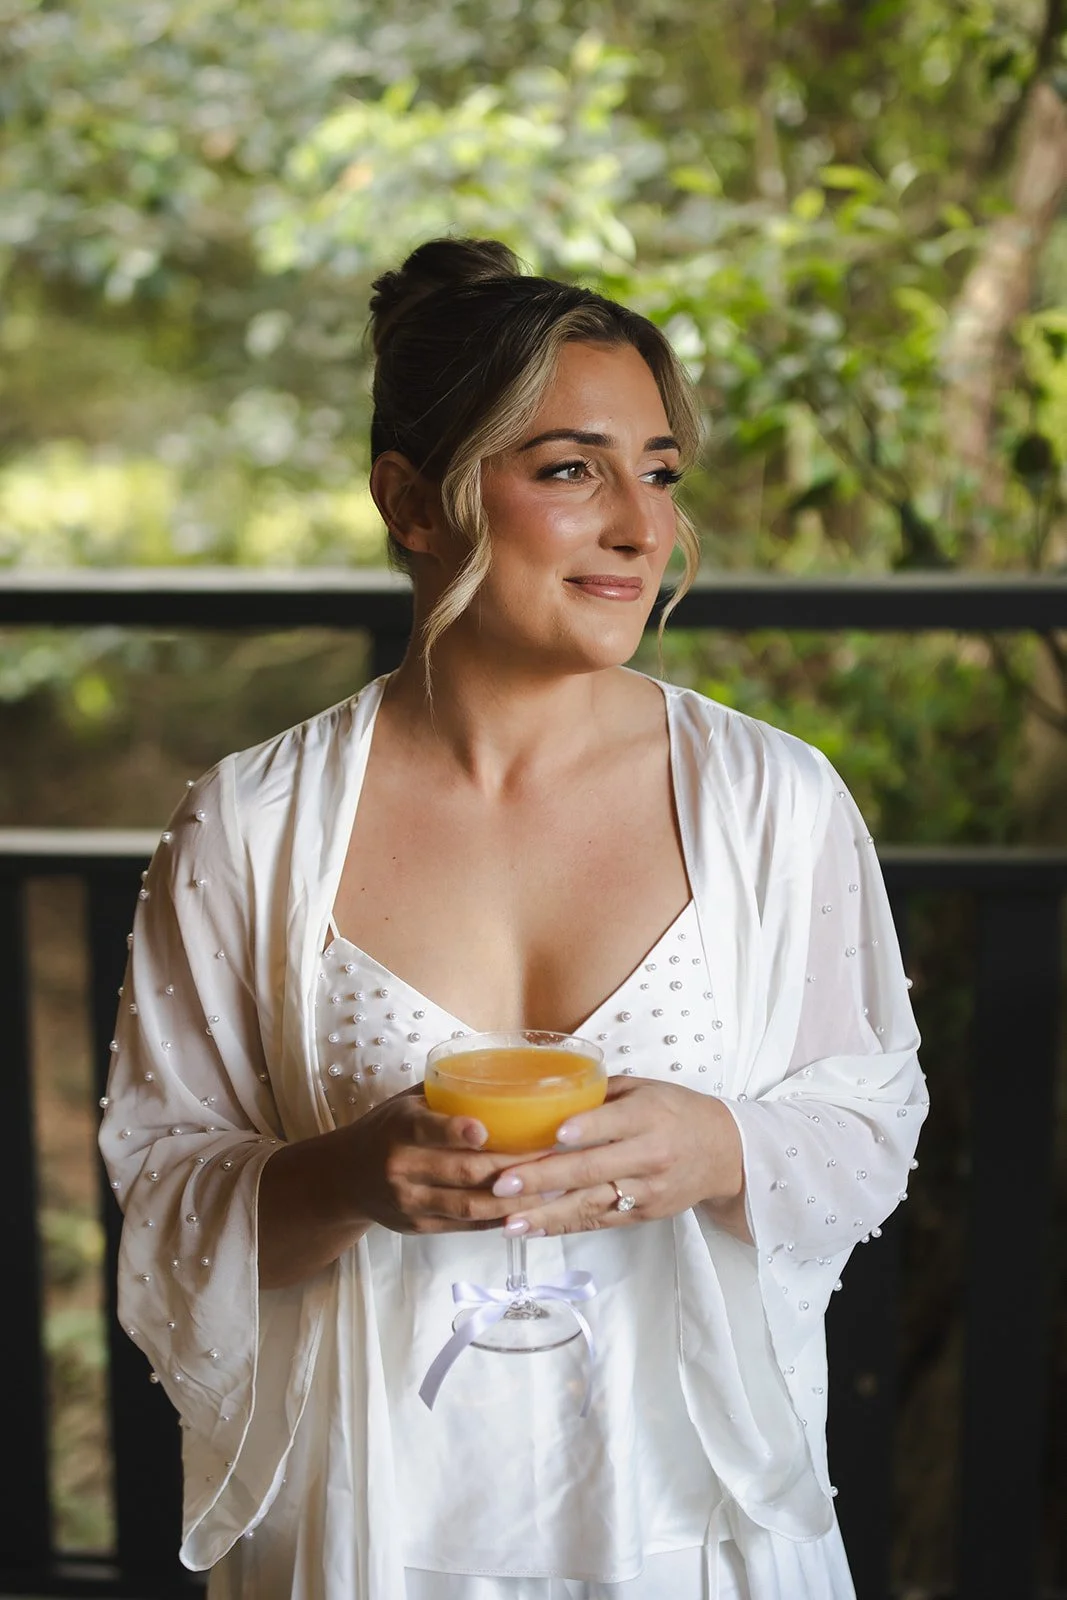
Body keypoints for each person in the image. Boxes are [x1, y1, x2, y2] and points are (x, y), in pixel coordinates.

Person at [99, 237, 927, 1600]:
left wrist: (719, 1145)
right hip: (372, 1527)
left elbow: (869, 1125)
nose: (641, 527)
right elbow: (166, 1197)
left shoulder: (774, 802)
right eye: (569, 471)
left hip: (689, 1528)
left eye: (658, 470)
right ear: (410, 502)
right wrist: (348, 1179)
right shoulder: (248, 825)